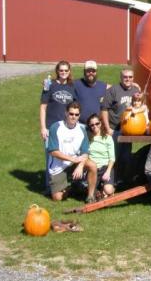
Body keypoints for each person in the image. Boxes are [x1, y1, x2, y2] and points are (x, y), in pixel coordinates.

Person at [47, 102, 97, 203]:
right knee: (57, 198)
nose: (73, 117)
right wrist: (72, 159)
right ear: (66, 113)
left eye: (76, 114)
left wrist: (80, 165)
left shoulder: (82, 129)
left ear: (79, 115)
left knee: (92, 165)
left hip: (75, 162)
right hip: (58, 167)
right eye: (71, 114)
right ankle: (73, 187)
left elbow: (85, 152)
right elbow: (53, 152)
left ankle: (91, 196)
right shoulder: (55, 127)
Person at [40, 60, 77, 191]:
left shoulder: (73, 87)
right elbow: (43, 108)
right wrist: (43, 128)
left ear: (69, 71)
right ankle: (48, 187)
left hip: (67, 129)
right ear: (57, 71)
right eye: (61, 70)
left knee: (66, 157)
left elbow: (75, 108)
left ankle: (64, 185)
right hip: (51, 128)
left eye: (66, 70)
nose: (63, 73)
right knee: (50, 157)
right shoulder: (49, 85)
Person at [101, 68, 141, 184]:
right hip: (115, 129)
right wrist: (108, 128)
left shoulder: (135, 90)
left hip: (129, 129)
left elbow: (140, 105)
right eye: (125, 77)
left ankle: (122, 181)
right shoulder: (113, 90)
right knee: (113, 156)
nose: (128, 79)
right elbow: (104, 109)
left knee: (126, 156)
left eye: (130, 77)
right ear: (121, 78)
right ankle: (109, 181)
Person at [86, 113, 115, 199]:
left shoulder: (108, 138)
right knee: (93, 195)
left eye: (97, 123)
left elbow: (112, 158)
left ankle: (110, 190)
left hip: (106, 167)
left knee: (108, 190)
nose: (95, 126)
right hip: (93, 169)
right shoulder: (88, 139)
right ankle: (99, 190)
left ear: (100, 123)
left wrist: (108, 171)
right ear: (89, 127)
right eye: (92, 125)